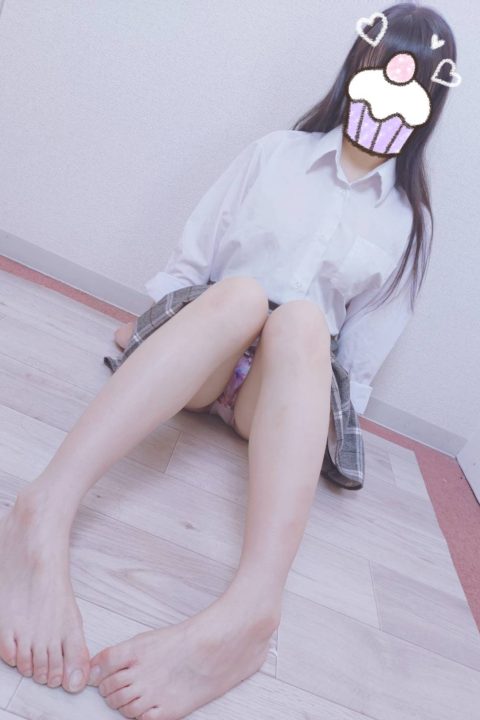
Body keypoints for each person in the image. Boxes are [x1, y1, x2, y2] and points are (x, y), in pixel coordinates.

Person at [0, 3, 457, 719]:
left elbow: (358, 363)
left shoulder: (407, 223)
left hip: (276, 394)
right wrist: (146, 331)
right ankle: (41, 509)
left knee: (303, 322)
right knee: (241, 294)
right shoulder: (276, 154)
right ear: (357, 68)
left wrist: (320, 434)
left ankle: (253, 609)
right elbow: (193, 263)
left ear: (430, 103)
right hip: (206, 356)